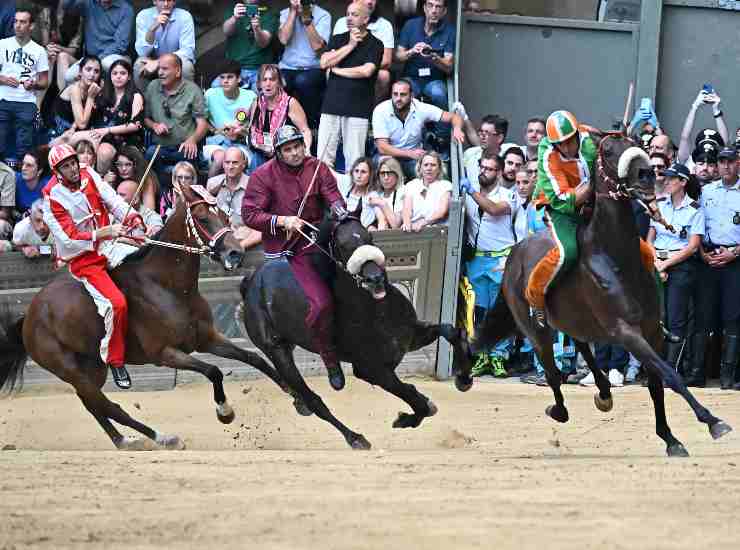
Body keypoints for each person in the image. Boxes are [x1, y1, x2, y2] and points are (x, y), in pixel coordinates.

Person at [241, 125, 349, 391]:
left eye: (297, 146)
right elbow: (249, 215)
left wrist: (338, 208)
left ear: (304, 145)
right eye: (287, 149)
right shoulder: (262, 175)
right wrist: (282, 220)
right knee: (321, 303)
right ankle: (329, 357)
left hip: (319, 240)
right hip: (286, 250)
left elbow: (334, 197)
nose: (294, 153)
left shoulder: (318, 167)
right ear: (278, 153)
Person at [525, 110, 654, 327]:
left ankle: (650, 306)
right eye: (560, 144)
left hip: (591, 202)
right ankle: (535, 298)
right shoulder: (547, 156)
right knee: (568, 252)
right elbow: (564, 199)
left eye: (569, 141)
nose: (566, 147)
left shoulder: (588, 137)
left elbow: (612, 142)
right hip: (561, 208)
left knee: (644, 252)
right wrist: (594, 183)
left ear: (577, 133)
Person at [42, 143, 145, 389]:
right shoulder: (51, 195)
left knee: (145, 262)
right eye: (65, 167)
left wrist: (132, 218)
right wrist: (103, 232)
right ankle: (115, 359)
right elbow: (68, 238)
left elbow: (113, 201)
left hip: (110, 244)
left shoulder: (88, 172)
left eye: (73, 163)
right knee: (116, 303)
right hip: (83, 258)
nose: (73, 169)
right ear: (57, 171)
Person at [459, 149, 517, 378]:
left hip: (500, 258)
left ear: (499, 172)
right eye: (482, 167)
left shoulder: (508, 194)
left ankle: (499, 357)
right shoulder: (469, 194)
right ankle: (482, 355)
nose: (484, 172)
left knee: (500, 310)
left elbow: (493, 209)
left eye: (490, 168)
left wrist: (471, 191)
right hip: (477, 259)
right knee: (479, 310)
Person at [645, 162, 703, 374]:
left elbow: (693, 246)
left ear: (683, 182)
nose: (666, 181)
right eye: (666, 178)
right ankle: (655, 369)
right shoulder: (659, 204)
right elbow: (650, 238)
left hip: (679, 266)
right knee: (656, 318)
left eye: (671, 178)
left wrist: (665, 265)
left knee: (675, 318)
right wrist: (655, 263)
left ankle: (671, 370)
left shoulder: (695, 209)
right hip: (656, 263)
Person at [691, 147, 740, 390]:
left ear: (737, 163)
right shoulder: (706, 191)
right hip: (708, 257)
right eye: (722, 162)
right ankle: (698, 373)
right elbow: (697, 225)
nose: (726, 166)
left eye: (730, 161)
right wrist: (702, 253)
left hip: (735, 259)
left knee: (732, 317)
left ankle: (728, 376)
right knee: (703, 315)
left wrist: (734, 253)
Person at [317, 1, 383, 171]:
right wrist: (350, 46)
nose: (349, 18)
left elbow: (366, 71)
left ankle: (352, 197)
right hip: (331, 105)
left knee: (355, 164)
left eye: (354, 14)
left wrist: (338, 71)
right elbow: (324, 62)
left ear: (366, 19)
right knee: (323, 161)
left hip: (357, 108)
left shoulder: (376, 44)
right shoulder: (339, 39)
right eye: (347, 14)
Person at [372, 78, 464, 179]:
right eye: (395, 94)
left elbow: (454, 117)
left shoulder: (420, 108)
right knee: (384, 165)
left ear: (411, 96)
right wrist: (409, 153)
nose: (398, 98)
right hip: (390, 156)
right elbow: (382, 147)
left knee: (430, 175)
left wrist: (457, 129)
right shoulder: (381, 110)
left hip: (413, 159)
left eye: (403, 94)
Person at [143, 53, 208, 190]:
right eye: (159, 68)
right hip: (160, 147)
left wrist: (193, 140)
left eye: (165, 69)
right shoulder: (152, 87)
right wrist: (154, 125)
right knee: (149, 155)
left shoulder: (193, 90)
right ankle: (161, 197)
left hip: (183, 147)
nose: (160, 72)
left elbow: (203, 124)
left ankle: (189, 199)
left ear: (178, 71)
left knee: (191, 154)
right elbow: (145, 119)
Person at [0, 6, 49, 163]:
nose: (18, 25)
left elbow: (44, 81)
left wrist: (34, 84)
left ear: (31, 25)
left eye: (22, 22)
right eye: (15, 21)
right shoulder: (2, 44)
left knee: (24, 148)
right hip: (3, 99)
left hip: (26, 102)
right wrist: (3, 79)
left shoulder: (39, 51)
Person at [278, 0, 332, 130]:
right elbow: (283, 39)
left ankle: (311, 127)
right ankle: (280, 127)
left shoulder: (323, 15)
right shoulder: (285, 13)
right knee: (279, 82)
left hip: (313, 67)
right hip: (287, 66)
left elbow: (318, 46)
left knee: (303, 81)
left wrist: (307, 20)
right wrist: (292, 13)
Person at [247, 64, 311, 170]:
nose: (268, 84)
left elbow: (305, 130)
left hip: (284, 153)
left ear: (279, 83)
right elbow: (248, 123)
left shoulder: (290, 103)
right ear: (259, 84)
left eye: (272, 79)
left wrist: (306, 150)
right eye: (264, 80)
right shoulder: (256, 102)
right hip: (260, 150)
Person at [396, 0, 455, 113]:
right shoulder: (411, 25)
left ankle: (442, 131)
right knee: (401, 92)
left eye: (438, 7)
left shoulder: (450, 31)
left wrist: (434, 57)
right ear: (424, 8)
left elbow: (449, 67)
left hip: (434, 80)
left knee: (438, 94)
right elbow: (398, 57)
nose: (433, 11)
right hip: (411, 78)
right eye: (430, 5)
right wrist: (412, 51)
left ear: (444, 11)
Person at [61, 0, 133, 84]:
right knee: (69, 76)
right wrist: (93, 60)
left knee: (106, 63)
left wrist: (97, 60)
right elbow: (67, 7)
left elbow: (120, 44)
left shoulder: (126, 9)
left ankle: (114, 95)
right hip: (91, 58)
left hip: (115, 56)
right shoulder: (89, 3)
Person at [334, 0, 394, 101]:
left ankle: (374, 111)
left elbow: (386, 62)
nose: (370, 1)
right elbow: (332, 56)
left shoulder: (384, 25)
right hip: (345, 67)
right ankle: (337, 105)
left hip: (371, 68)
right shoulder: (342, 22)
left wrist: (363, 67)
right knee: (329, 72)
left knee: (384, 75)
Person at [204, 61, 256, 177]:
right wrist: (216, 131)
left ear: (238, 79)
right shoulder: (210, 94)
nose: (225, 81)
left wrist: (241, 131)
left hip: (241, 143)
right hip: (216, 141)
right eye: (222, 77)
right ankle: (207, 192)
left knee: (236, 159)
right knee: (221, 157)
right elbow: (201, 120)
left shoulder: (250, 96)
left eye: (230, 77)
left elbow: (254, 127)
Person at [206, 147, 261, 250]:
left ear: (243, 165)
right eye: (227, 162)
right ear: (222, 164)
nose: (230, 166)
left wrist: (239, 248)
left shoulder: (254, 187)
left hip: (247, 245)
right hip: (219, 245)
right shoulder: (212, 184)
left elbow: (261, 229)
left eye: (235, 163)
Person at [134, 0, 195, 92]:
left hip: (176, 61)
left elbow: (187, 51)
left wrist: (158, 62)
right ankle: (143, 101)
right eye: (162, 0)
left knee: (186, 66)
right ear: (154, 1)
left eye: (169, 0)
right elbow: (142, 52)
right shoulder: (143, 16)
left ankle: (185, 102)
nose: (166, 4)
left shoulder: (185, 16)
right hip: (151, 59)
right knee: (139, 65)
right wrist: (152, 29)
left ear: (174, 2)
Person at [222, 1, 278, 91]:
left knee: (263, 94)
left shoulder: (269, 11)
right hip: (234, 69)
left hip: (259, 68)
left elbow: (263, 43)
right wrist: (234, 18)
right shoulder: (234, 7)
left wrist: (257, 28)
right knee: (215, 87)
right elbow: (226, 31)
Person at [52, 55, 104, 149]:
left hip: (73, 131)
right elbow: (82, 124)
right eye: (88, 69)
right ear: (80, 71)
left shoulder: (94, 88)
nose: (92, 74)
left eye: (96, 71)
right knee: (93, 139)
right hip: (58, 134)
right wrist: (91, 97)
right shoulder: (74, 89)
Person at [677, 87, 728, 166]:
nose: (705, 167)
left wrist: (716, 110)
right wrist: (695, 106)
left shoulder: (720, 166)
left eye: (710, 164)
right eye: (701, 163)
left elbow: (724, 143)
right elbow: (684, 138)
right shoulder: (689, 163)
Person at [401, 150, 451, 232]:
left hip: (436, 230)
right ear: (420, 168)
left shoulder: (445, 185)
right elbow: (406, 209)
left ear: (439, 168)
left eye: (433, 165)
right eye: (426, 165)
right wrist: (407, 222)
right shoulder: (411, 185)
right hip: (412, 229)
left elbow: (441, 212)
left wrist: (423, 222)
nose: (429, 168)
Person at [105, 146, 158, 211]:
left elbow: (149, 211)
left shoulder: (145, 179)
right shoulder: (113, 177)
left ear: (136, 165)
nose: (123, 168)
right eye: (119, 164)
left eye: (128, 164)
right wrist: (106, 185)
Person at [460, 113, 509, 183]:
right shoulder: (469, 154)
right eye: (481, 132)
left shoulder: (508, 162)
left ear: (499, 138)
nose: (482, 136)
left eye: (487, 133)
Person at [335, 156, 378, 229]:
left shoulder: (372, 195)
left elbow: (381, 219)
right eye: (356, 171)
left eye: (363, 172)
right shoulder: (346, 183)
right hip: (338, 232)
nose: (359, 176)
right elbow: (325, 169)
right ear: (352, 173)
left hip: (358, 235)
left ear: (370, 175)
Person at [369, 155, 405, 230]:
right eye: (382, 173)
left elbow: (395, 224)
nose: (386, 177)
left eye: (389, 173)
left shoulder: (402, 192)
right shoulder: (374, 194)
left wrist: (382, 204)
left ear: (397, 174)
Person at [15, 151, 50, 215]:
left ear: (39, 171)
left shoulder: (47, 186)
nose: (23, 168)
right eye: (23, 164)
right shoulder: (15, 179)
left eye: (29, 165)